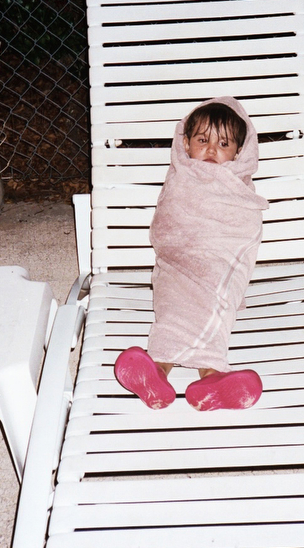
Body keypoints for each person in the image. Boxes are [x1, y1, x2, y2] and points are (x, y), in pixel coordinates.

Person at [114, 96, 269, 411]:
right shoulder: (180, 178)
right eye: (202, 140)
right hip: (176, 265)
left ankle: (212, 378)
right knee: (172, 310)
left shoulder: (238, 187)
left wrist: (214, 253)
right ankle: (156, 372)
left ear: (239, 151)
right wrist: (179, 248)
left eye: (223, 144)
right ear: (185, 144)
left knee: (213, 307)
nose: (211, 150)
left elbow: (244, 228)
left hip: (219, 267)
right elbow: (165, 225)